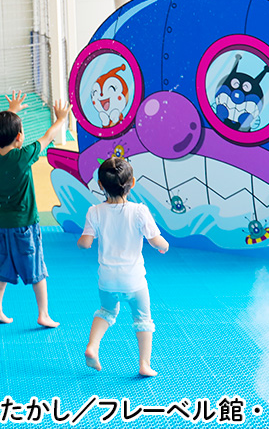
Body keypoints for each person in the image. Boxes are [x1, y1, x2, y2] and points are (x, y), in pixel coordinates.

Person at [77, 157, 169, 377]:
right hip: (134, 281)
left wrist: (81, 242)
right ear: (133, 182)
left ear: (100, 185)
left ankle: (93, 346)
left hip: (107, 280)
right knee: (143, 319)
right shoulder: (139, 211)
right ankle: (144, 364)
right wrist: (163, 246)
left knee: (107, 311)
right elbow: (156, 241)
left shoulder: (95, 212)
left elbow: (86, 243)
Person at [0, 91, 71, 328]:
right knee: (37, 269)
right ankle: (43, 314)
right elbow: (47, 137)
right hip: (25, 224)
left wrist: (12, 111)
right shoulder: (22, 157)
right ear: (19, 137)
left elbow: (1, 135)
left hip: (3, 224)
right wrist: (60, 118)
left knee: (2, 266)